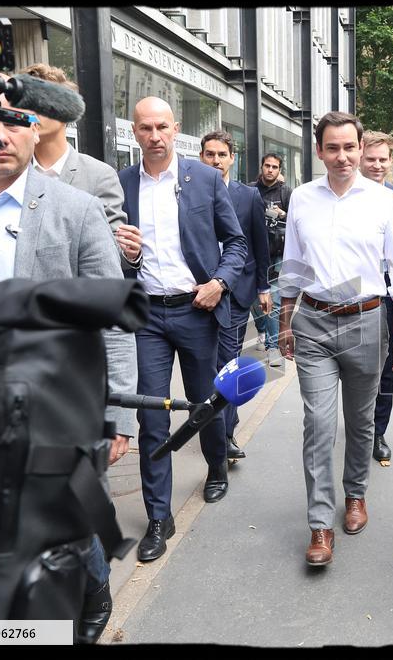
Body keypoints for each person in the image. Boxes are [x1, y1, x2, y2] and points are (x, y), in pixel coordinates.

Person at [0, 90, 138, 645]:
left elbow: (111, 315)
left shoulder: (75, 209)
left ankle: (89, 587)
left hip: (45, 405)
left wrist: (115, 412)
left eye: (13, 121)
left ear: (36, 129)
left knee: (58, 512)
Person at [277, 111, 393, 568]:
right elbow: (293, 263)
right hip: (313, 322)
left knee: (360, 422)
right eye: (332, 148)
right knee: (318, 425)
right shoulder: (301, 198)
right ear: (319, 151)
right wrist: (284, 319)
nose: (342, 156)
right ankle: (320, 524)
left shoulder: (384, 201)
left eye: (349, 147)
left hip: (367, 321)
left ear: (361, 149)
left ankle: (355, 495)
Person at [118, 97, 247, 563]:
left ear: (176, 130)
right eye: (145, 128)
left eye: (162, 127)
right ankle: (158, 515)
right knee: (151, 412)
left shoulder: (205, 178)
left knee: (203, 402)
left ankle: (216, 467)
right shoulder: (123, 183)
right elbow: (112, 255)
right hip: (147, 314)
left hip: (196, 308)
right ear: (134, 132)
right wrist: (125, 256)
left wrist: (219, 282)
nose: (154, 136)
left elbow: (236, 244)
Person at [21, 62, 143, 271]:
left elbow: (112, 254)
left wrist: (131, 254)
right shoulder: (13, 173)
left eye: (43, 102)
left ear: (66, 110)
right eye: (27, 103)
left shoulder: (99, 175)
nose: (34, 111)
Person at [199, 131, 272, 462]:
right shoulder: (188, 190)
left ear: (232, 158)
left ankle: (226, 434)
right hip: (198, 292)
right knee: (205, 364)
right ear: (201, 157)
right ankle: (217, 423)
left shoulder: (249, 195)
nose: (216, 160)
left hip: (237, 293)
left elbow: (259, 243)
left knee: (228, 364)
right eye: (209, 154)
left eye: (222, 155)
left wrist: (263, 287)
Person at [358, 130, 393, 463]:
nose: (378, 165)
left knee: (386, 367)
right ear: (360, 158)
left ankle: (378, 431)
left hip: (388, 297)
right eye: (371, 159)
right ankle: (359, 422)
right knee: (356, 365)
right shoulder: (347, 193)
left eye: (383, 160)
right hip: (354, 295)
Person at [248, 152, 293, 366]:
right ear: (262, 166)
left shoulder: (286, 192)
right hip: (254, 253)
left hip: (277, 254)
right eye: (267, 166)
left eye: (275, 167)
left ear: (279, 170)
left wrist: (283, 214)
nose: (270, 170)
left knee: (272, 298)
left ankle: (273, 347)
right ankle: (262, 330)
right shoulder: (250, 190)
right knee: (256, 302)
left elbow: (296, 220)